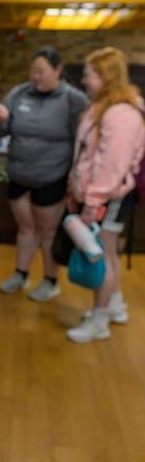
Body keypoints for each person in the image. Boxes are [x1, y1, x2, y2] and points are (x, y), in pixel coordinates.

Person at [0, 46, 87, 301]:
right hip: (19, 174)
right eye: (33, 71)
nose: (35, 76)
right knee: (25, 229)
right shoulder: (18, 93)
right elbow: (1, 132)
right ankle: (20, 275)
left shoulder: (73, 99)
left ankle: (50, 280)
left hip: (51, 177)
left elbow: (83, 139)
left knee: (48, 233)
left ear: (58, 70)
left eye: (42, 71)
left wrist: (76, 177)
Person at [66, 47, 145, 343]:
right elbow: (87, 155)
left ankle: (99, 320)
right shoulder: (102, 107)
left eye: (89, 75)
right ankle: (114, 305)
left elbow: (112, 165)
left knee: (101, 252)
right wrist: (74, 187)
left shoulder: (121, 114)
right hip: (100, 193)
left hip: (109, 196)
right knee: (108, 251)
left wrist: (92, 201)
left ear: (105, 76)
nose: (84, 80)